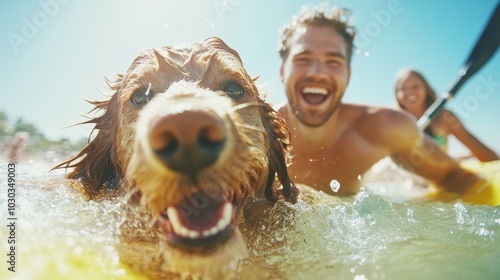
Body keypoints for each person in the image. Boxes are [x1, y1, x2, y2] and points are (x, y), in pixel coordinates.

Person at [274, 4, 483, 198]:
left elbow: (456, 178)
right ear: (282, 71)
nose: (317, 73)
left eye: (333, 61)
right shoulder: (254, 135)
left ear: (347, 75)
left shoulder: (386, 128)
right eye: (303, 59)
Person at [395, 68, 499, 162]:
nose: (409, 92)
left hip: (439, 175)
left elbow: (483, 152)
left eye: (415, 86)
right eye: (403, 88)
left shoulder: (444, 118)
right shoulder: (392, 122)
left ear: (425, 89)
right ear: (397, 94)